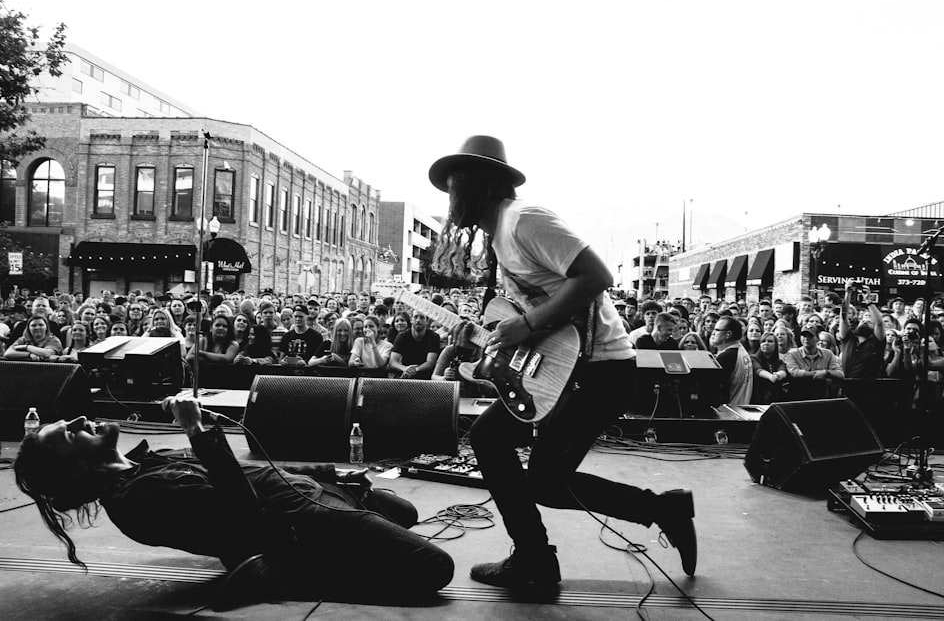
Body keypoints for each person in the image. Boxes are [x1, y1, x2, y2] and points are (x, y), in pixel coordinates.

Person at [427, 135, 696, 589]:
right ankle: (537, 556)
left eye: (455, 184)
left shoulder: (524, 221)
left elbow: (596, 276)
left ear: (479, 184)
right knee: (496, 443)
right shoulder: (500, 240)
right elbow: (529, 322)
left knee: (540, 478)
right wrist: (486, 343)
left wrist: (528, 325)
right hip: (569, 368)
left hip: (601, 370)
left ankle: (552, 553)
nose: (450, 198)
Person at [13, 398, 454, 610]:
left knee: (406, 513)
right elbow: (243, 511)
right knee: (435, 568)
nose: (77, 419)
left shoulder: (143, 462)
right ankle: (291, 575)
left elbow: (254, 472)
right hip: (301, 521)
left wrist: (331, 474)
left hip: (304, 490)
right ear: (75, 469)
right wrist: (197, 431)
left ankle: (298, 564)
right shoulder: (138, 499)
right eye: (69, 433)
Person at [838, 282, 885, 379]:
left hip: (868, 389)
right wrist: (848, 293)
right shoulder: (848, 338)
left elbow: (879, 323)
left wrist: (868, 300)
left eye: (869, 322)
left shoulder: (876, 342)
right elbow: (843, 317)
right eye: (863, 320)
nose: (865, 321)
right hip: (846, 386)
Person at [710, 315, 753, 406]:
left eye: (717, 330)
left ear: (728, 334)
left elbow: (714, 390)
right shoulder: (741, 350)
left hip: (729, 412)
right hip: (740, 409)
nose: (713, 333)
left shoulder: (727, 357)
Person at [388, 312, 440, 379]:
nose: (418, 320)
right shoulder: (402, 336)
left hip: (426, 378)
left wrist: (415, 370)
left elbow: (430, 362)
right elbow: (392, 362)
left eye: (422, 317)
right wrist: (404, 368)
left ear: (427, 321)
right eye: (415, 317)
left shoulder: (433, 337)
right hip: (405, 376)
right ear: (411, 320)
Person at [750, 332, 788, 405]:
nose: (766, 343)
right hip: (757, 399)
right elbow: (758, 371)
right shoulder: (753, 358)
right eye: (763, 341)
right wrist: (771, 377)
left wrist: (778, 375)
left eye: (770, 341)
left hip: (775, 400)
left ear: (775, 345)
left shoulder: (779, 361)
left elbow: (783, 371)